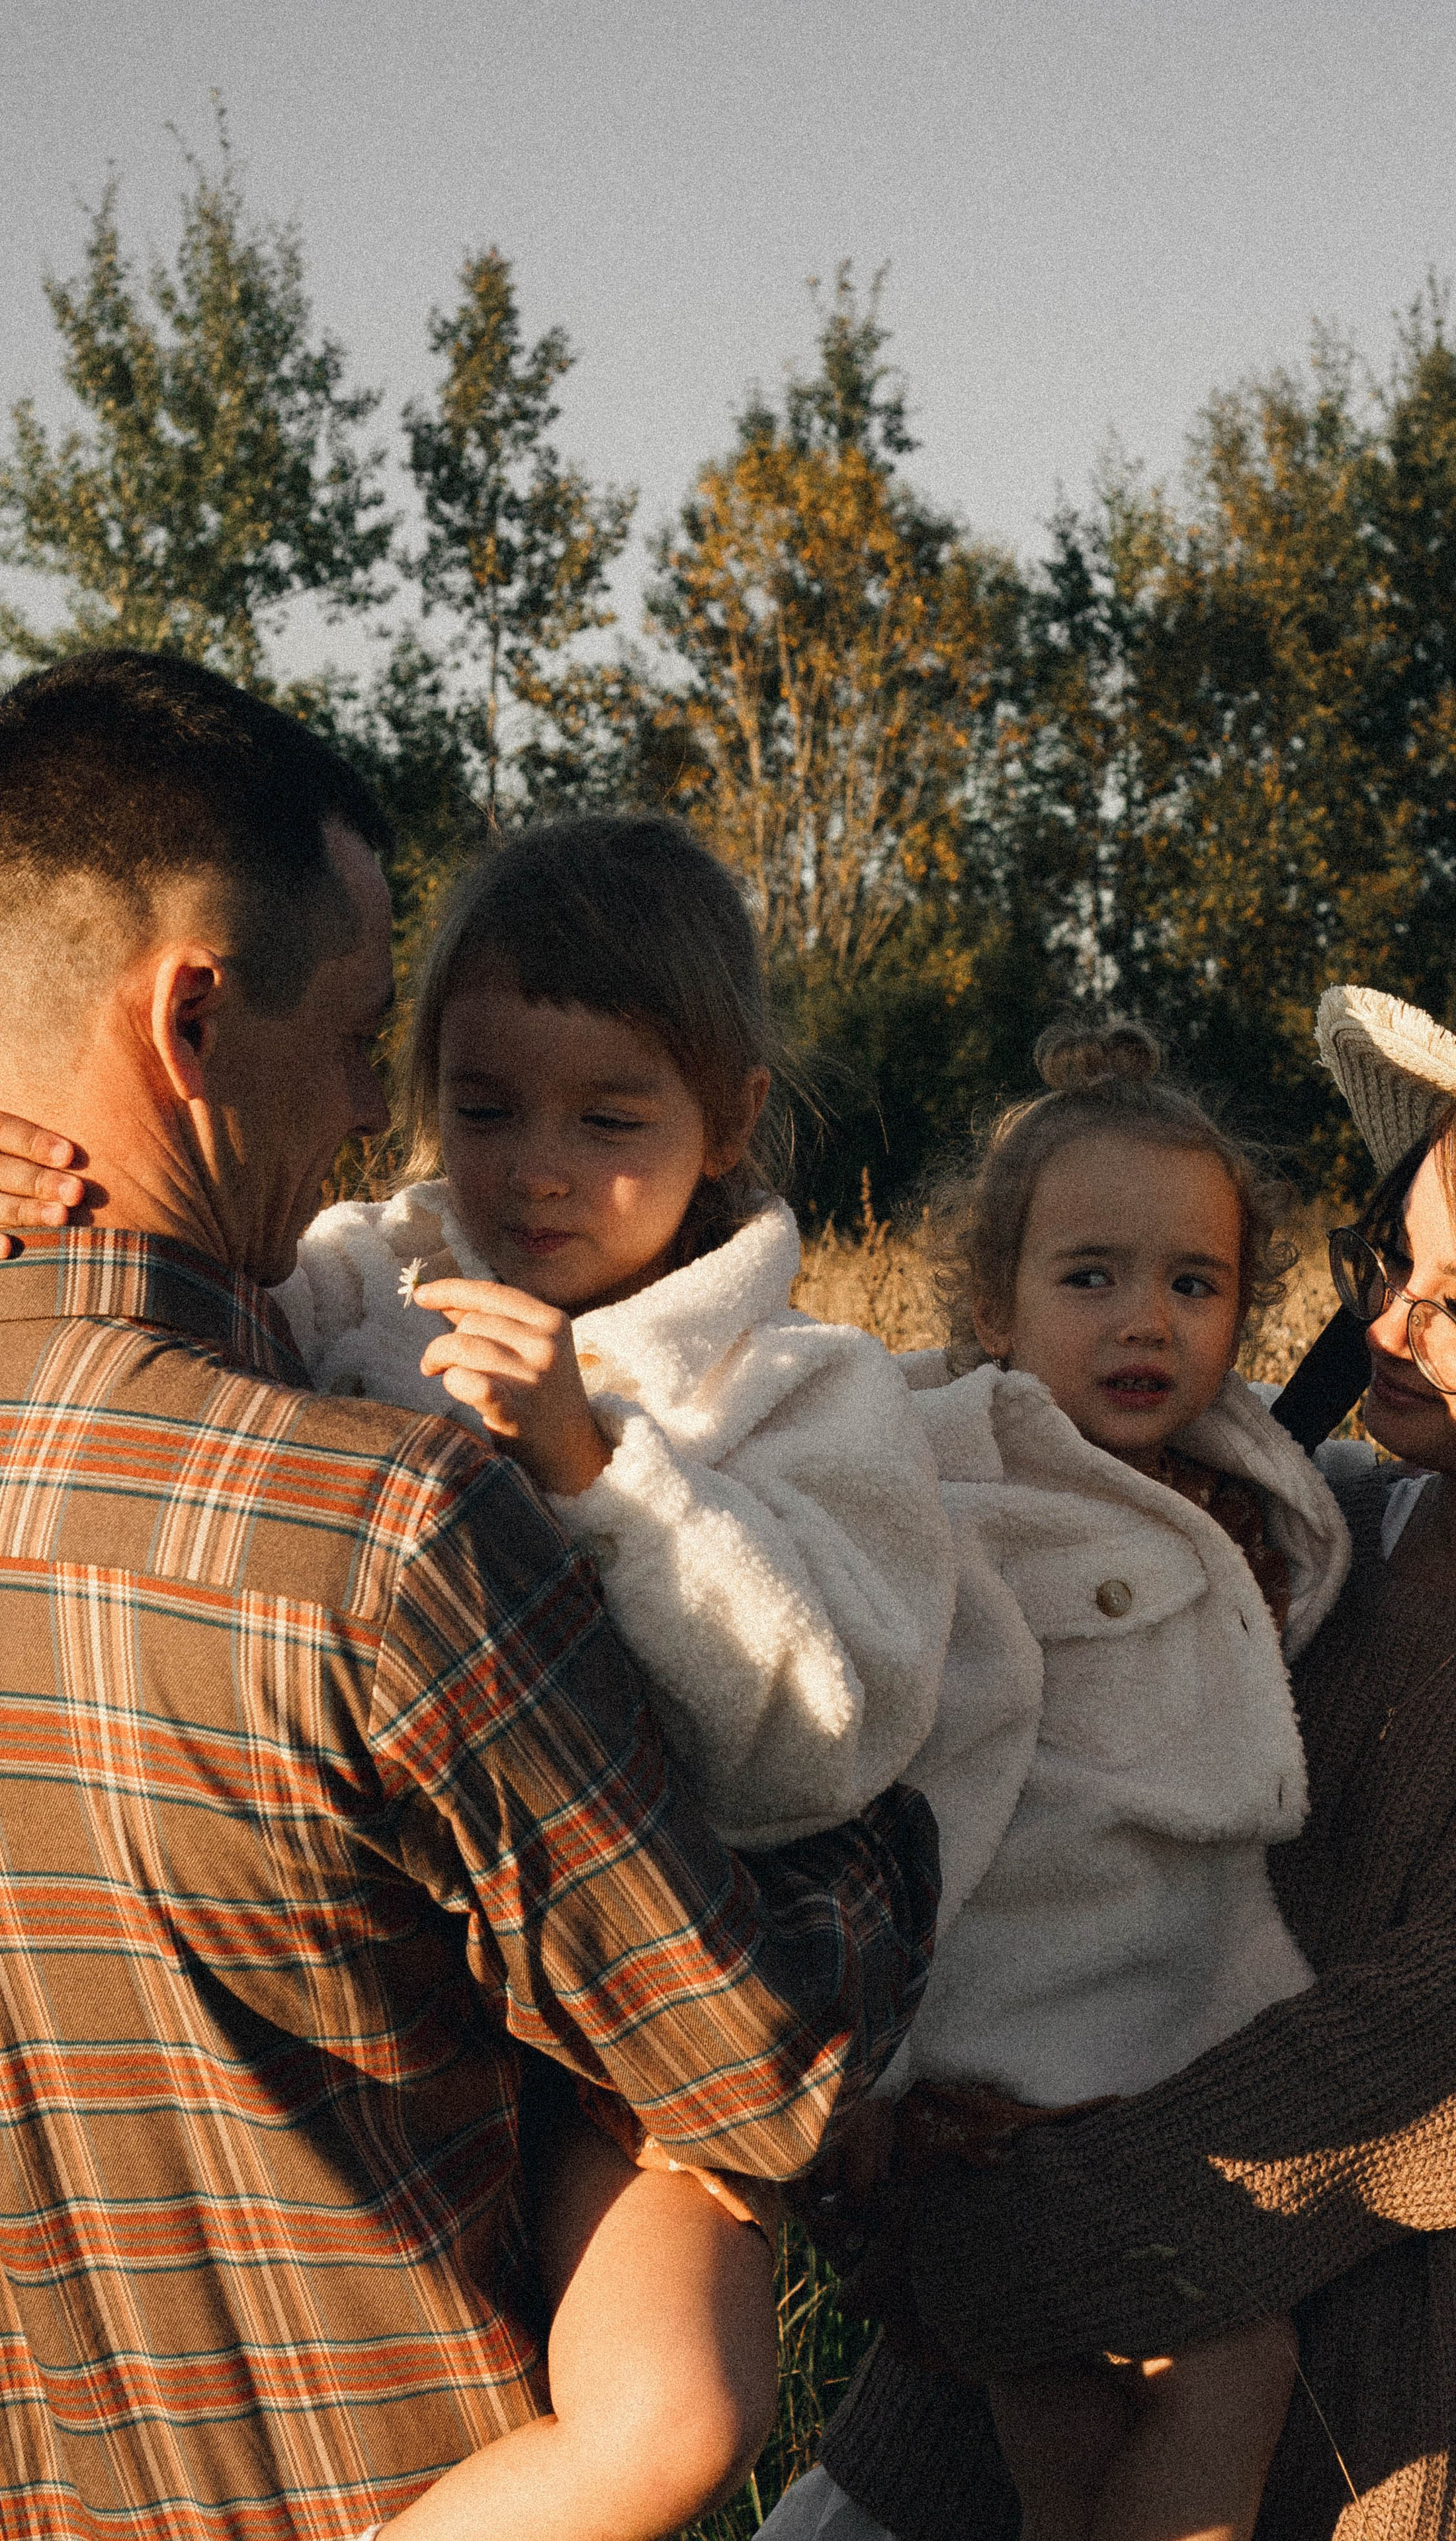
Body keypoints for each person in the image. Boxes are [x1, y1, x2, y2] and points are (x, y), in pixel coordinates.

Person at [0, 649, 939, 2541]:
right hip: (417, 2486)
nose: (376, 1118)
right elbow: (752, 2073)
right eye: (381, 1051)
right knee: (678, 2397)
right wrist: (900, 1850)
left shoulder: (313, 1377)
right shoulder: (378, 1531)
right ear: (193, 1019)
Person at [763, 985, 1456, 2541]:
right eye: (1387, 1261)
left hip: (1395, 2438)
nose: (1386, 1327)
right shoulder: (1291, 1530)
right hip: (1018, 2372)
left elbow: (1445, 2060)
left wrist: (999, 2243)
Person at [265, 815, 955, 2541]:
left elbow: (827, 1735)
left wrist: (598, 1474)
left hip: (642, 2020)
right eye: (487, 1108)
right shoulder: (361, 1283)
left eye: (610, 1121)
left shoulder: (805, 1389)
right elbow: (173, 1339)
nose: (538, 1173)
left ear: (729, 1116)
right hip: (375, 1970)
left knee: (676, 2414)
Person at [834, 1020, 1352, 2541]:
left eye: (1194, 1284)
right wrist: (865, 2070)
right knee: (1233, 2367)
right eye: (1088, 1278)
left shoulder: (1242, 1478)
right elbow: (896, 1778)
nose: (1145, 1320)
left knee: (1064, 2421)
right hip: (1005, 2080)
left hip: (1156, 2055)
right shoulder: (955, 1497)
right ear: (990, 1308)